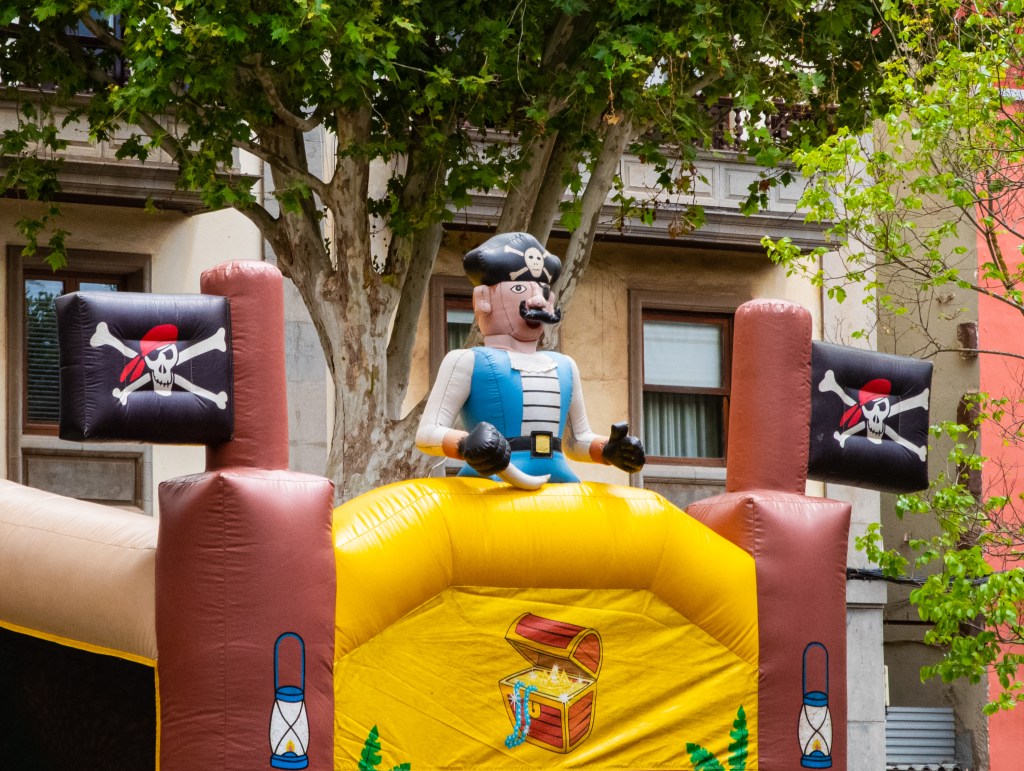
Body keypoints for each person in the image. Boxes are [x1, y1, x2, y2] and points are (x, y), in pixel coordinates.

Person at [416, 232, 645, 488]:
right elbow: (427, 433)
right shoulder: (466, 361)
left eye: (542, 290)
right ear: (484, 301)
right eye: (518, 289)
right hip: (494, 483)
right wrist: (466, 443)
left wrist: (608, 450)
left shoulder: (565, 367)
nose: (536, 300)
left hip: (558, 486)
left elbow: (575, 442)